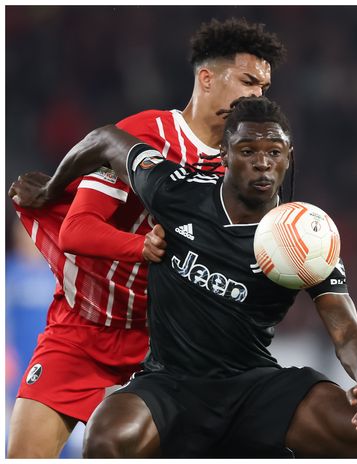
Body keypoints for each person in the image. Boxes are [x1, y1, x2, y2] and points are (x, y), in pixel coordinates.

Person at [34, 96, 357, 457]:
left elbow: (346, 329)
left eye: (274, 152)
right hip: (170, 384)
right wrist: (50, 190)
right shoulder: (176, 192)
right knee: (108, 436)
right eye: (248, 151)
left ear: (289, 157)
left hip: (254, 386)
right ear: (224, 154)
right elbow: (105, 139)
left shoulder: (308, 238)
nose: (262, 165)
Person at [6, 17, 285, 458]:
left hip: (164, 346)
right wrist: (142, 246)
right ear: (207, 77)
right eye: (248, 81)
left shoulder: (247, 167)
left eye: (265, 88)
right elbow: (78, 230)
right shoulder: (146, 134)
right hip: (82, 328)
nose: (257, 96)